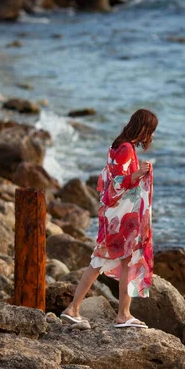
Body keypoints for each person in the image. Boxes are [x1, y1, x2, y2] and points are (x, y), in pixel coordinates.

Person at [61, 108, 158, 329]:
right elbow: (117, 182)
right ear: (143, 128)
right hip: (120, 216)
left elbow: (110, 178)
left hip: (115, 214)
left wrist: (138, 173)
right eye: (150, 131)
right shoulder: (125, 148)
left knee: (109, 261)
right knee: (113, 260)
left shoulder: (119, 144)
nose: (150, 136)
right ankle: (115, 314)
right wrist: (140, 173)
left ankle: (84, 309)